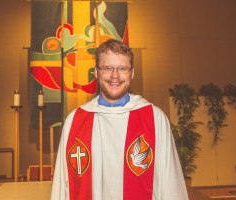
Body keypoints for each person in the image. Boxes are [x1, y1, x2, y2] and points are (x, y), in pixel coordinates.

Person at [50, 39, 188, 200]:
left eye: (122, 68)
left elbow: (170, 181)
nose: (115, 75)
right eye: (107, 68)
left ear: (132, 73)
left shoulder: (154, 118)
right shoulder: (76, 121)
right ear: (96, 72)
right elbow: (62, 183)